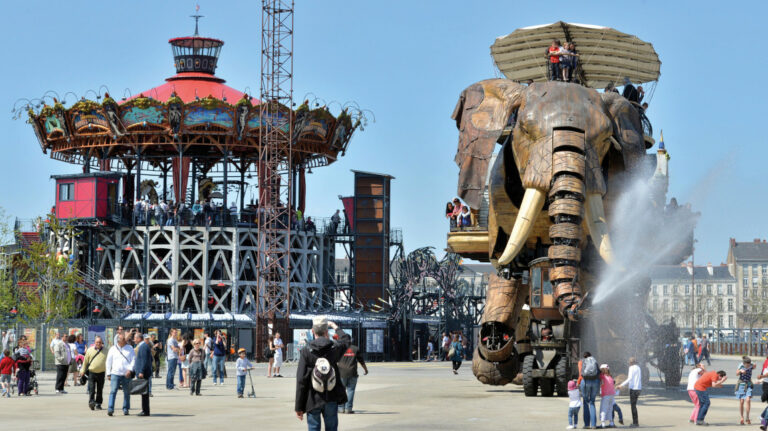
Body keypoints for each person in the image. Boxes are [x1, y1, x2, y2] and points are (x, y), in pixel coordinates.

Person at [295, 317, 350, 431]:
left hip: (312, 398)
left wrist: (299, 407)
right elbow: (346, 340)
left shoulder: (306, 350)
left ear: (312, 331)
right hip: (331, 396)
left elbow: (301, 379)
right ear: (326, 331)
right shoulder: (335, 347)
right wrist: (335, 326)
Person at [337, 335, 368, 414]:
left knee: (341, 390)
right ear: (351, 340)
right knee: (351, 390)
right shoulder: (355, 348)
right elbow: (361, 360)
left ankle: (341, 408)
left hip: (341, 373)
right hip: (352, 372)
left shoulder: (339, 348)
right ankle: (348, 409)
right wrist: (365, 369)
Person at [106, 333, 135, 416]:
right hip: (115, 373)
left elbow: (133, 359)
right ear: (118, 341)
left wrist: (130, 369)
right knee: (113, 391)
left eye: (124, 339)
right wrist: (108, 373)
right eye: (123, 339)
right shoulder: (112, 349)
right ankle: (110, 408)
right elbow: (108, 361)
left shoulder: (130, 348)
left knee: (126, 392)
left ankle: (126, 408)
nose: (125, 340)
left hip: (126, 374)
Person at [81, 336, 107, 410]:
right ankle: (91, 402)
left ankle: (98, 403)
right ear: (94, 343)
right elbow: (85, 362)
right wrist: (82, 371)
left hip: (101, 373)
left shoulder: (106, 351)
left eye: (99, 342)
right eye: (97, 342)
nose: (98, 343)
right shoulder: (90, 350)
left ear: (102, 343)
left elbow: (109, 361)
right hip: (92, 372)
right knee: (92, 389)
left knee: (100, 389)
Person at [617, 356, 642, 427]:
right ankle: (635, 422)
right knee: (634, 405)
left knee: (633, 406)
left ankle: (635, 423)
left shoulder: (631, 368)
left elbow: (629, 378)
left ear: (631, 362)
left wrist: (621, 385)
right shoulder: (638, 367)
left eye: (629, 362)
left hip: (633, 389)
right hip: (638, 388)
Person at [578, 352, 600, 429]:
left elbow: (581, 373)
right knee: (592, 402)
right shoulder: (594, 360)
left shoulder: (583, 361)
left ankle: (587, 424)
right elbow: (598, 372)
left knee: (585, 402)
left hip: (586, 381)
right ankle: (593, 425)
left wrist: (578, 382)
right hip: (595, 381)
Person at [133, 333, 152, 416]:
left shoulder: (143, 347)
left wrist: (141, 371)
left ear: (139, 339)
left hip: (143, 373)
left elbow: (144, 360)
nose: (134, 339)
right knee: (144, 392)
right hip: (143, 372)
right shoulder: (143, 346)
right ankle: (145, 410)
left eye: (135, 338)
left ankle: (145, 411)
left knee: (144, 393)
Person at [737, 356, 756, 425]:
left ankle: (747, 417)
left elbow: (754, 366)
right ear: (744, 363)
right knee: (742, 401)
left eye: (749, 364)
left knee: (748, 400)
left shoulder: (751, 366)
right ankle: (742, 417)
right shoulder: (741, 366)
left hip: (748, 383)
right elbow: (736, 373)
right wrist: (740, 371)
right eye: (746, 365)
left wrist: (752, 363)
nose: (748, 366)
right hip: (741, 384)